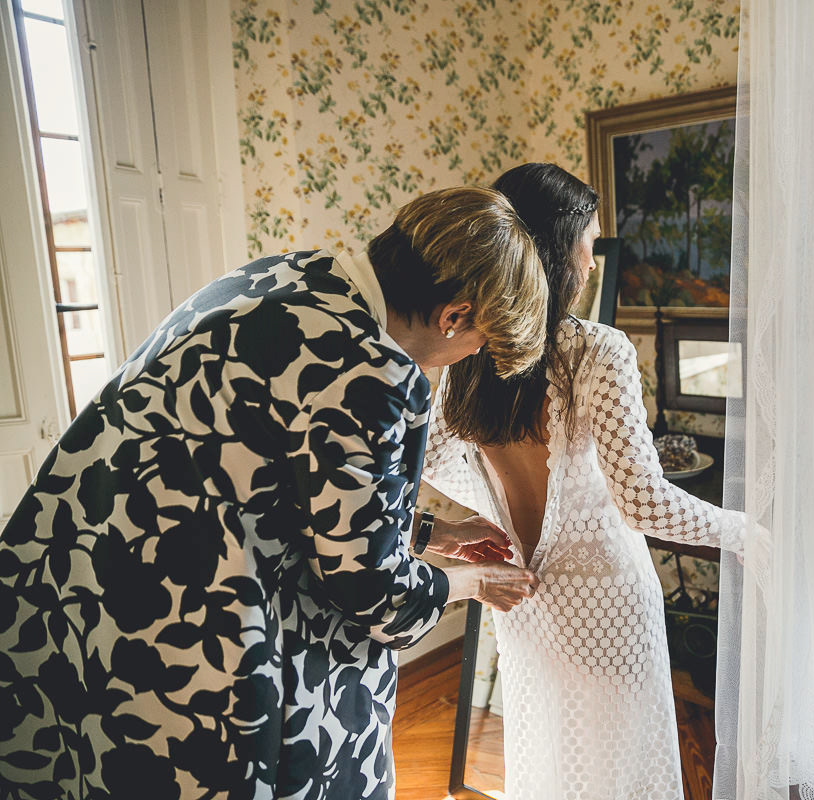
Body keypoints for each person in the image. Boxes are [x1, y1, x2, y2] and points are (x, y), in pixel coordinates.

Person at [0, 187, 543, 799]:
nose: (466, 357)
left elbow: (293, 481)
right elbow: (370, 589)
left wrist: (429, 532)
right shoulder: (367, 368)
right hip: (175, 606)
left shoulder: (296, 275)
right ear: (455, 316)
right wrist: (473, 583)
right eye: (478, 344)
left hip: (82, 558)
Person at [423, 164, 750, 800]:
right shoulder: (599, 350)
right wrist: (743, 530)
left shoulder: (471, 351)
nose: (592, 262)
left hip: (521, 593)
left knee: (551, 755)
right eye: (587, 243)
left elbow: (432, 458)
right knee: (622, 767)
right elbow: (645, 502)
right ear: (555, 249)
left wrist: (498, 510)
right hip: (607, 601)